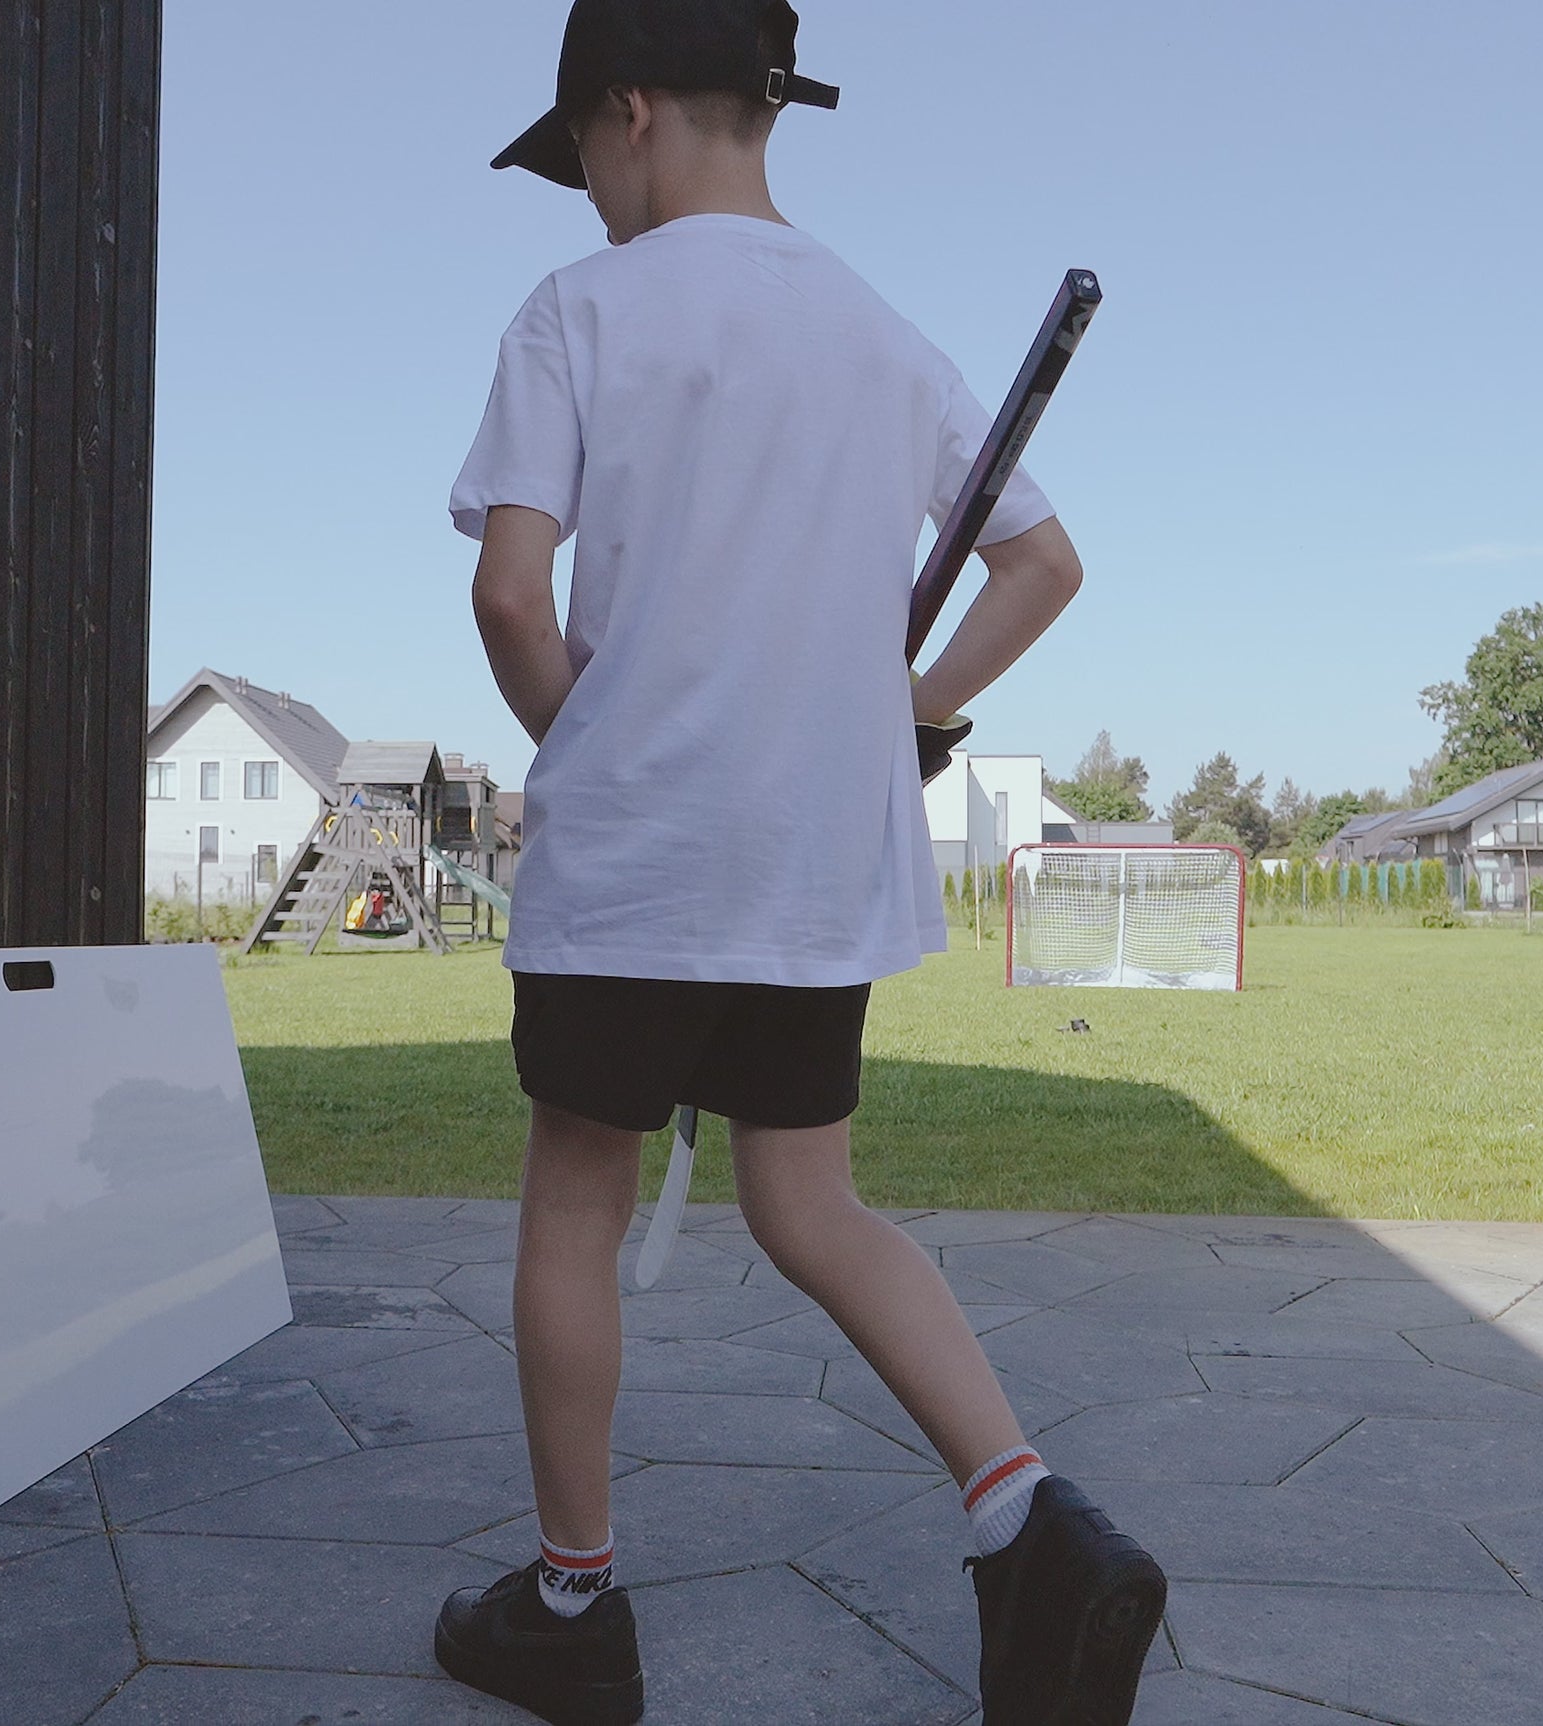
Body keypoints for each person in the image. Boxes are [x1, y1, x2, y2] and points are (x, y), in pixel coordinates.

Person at [433, 3, 1166, 1721]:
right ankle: (1029, 1525)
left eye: (583, 166)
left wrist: (582, 740)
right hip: (806, 860)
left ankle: (572, 1603)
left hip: (638, 853)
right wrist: (891, 708)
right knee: (810, 1198)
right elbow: (1043, 564)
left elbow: (507, 596)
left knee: (573, 1199)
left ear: (628, 114)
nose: (587, 202)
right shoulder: (873, 329)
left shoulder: (580, 310)